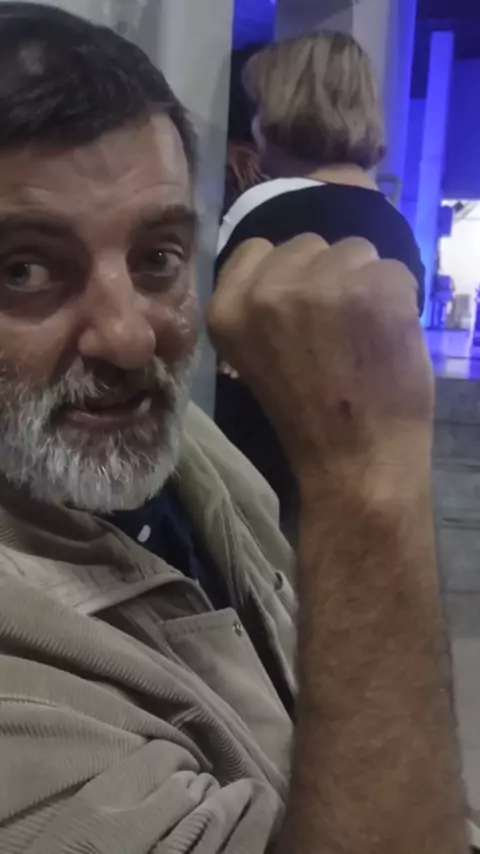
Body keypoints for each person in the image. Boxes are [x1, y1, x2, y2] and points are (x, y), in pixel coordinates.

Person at [0, 5, 468, 854]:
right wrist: (367, 483)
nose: (131, 338)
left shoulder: (191, 453)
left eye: (158, 258)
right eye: (23, 270)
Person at [215, 32, 425, 536]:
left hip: (255, 468)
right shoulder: (397, 227)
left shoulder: (264, 206)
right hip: (357, 467)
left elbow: (215, 339)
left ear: (277, 111)